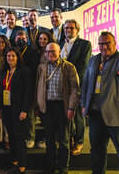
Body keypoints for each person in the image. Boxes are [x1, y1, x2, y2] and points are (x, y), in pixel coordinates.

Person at [81, 31, 119, 174]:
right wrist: (84, 105)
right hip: (96, 115)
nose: (104, 47)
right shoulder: (93, 60)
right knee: (96, 151)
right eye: (101, 44)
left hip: (118, 117)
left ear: (114, 43)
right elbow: (86, 84)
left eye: (107, 43)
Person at [35, 43, 80, 174]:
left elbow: (75, 89)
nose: (50, 54)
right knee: (49, 140)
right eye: (48, 52)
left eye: (53, 52)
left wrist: (71, 107)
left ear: (60, 51)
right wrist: (37, 106)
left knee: (64, 140)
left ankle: (63, 168)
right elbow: (37, 87)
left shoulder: (69, 67)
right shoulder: (41, 67)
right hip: (47, 108)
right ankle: (50, 167)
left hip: (63, 107)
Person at [0, 47, 32, 174]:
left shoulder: (24, 71)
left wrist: (24, 110)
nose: (10, 58)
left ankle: (22, 166)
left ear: (17, 57)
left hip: (19, 110)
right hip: (6, 108)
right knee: (11, 137)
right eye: (8, 56)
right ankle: (14, 163)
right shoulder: (5, 71)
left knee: (19, 138)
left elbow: (28, 92)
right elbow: (0, 91)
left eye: (13, 56)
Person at [60, 19, 92, 155]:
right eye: (66, 28)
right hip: (61, 86)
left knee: (78, 114)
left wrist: (70, 82)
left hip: (77, 85)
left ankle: (79, 141)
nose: (68, 30)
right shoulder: (60, 44)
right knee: (67, 113)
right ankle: (70, 138)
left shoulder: (85, 44)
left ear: (77, 30)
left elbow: (83, 66)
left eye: (72, 28)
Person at [14, 30, 40, 149]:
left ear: (27, 39)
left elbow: (35, 70)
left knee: (29, 112)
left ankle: (31, 137)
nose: (21, 41)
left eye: (23, 39)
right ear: (15, 40)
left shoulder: (33, 52)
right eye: (18, 38)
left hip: (29, 84)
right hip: (16, 86)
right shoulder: (14, 51)